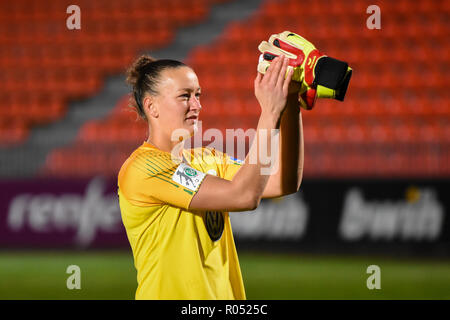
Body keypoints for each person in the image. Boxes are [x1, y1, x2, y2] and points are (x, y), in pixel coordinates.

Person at [118, 53, 304, 299]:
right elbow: (244, 196)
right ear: (152, 106)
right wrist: (270, 113)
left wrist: (290, 102)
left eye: (198, 95)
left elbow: (283, 181)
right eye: (185, 96)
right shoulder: (144, 168)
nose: (196, 105)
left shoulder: (208, 158)